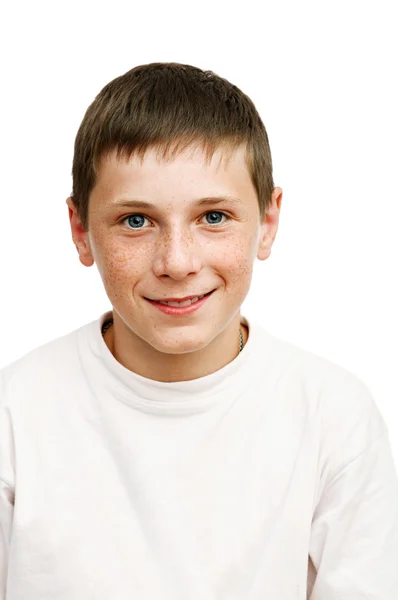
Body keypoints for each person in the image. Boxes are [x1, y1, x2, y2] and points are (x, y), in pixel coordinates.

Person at [1, 62, 397, 600]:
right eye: (136, 221)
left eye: (213, 217)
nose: (177, 262)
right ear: (81, 230)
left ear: (268, 221)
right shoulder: (15, 415)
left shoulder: (333, 417)